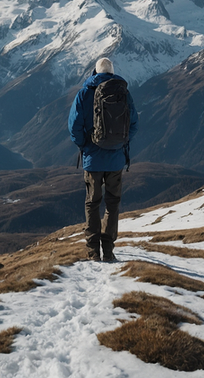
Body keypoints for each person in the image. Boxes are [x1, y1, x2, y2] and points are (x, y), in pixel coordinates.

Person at [68, 57, 138, 262]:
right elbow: (134, 124)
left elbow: (74, 127)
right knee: (112, 204)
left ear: (95, 72)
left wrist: (85, 146)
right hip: (116, 160)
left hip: (93, 160)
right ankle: (108, 250)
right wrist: (121, 143)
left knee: (92, 203)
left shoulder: (84, 93)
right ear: (112, 72)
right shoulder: (123, 93)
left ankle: (93, 252)